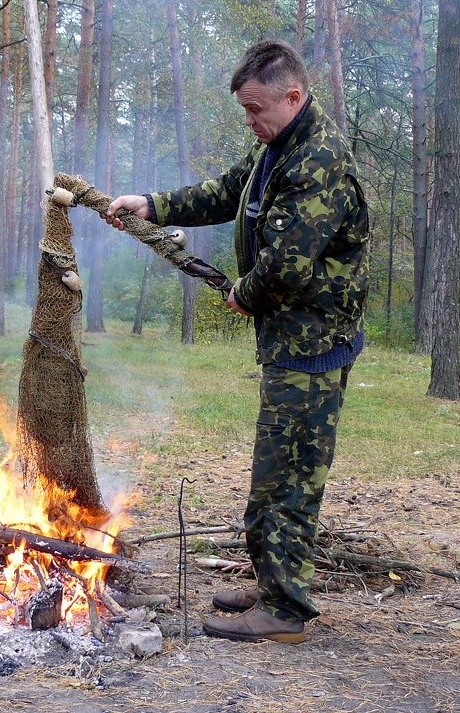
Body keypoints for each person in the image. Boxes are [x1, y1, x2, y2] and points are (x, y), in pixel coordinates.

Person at [105, 40, 369, 643]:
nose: (251, 121)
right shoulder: (279, 146)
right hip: (289, 338)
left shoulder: (318, 161)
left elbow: (287, 266)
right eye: (246, 111)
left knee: (289, 477)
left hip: (312, 344)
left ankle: (284, 611)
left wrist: (245, 293)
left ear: (293, 97)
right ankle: (273, 579)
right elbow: (230, 193)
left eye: (257, 109)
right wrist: (153, 204)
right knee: (272, 475)